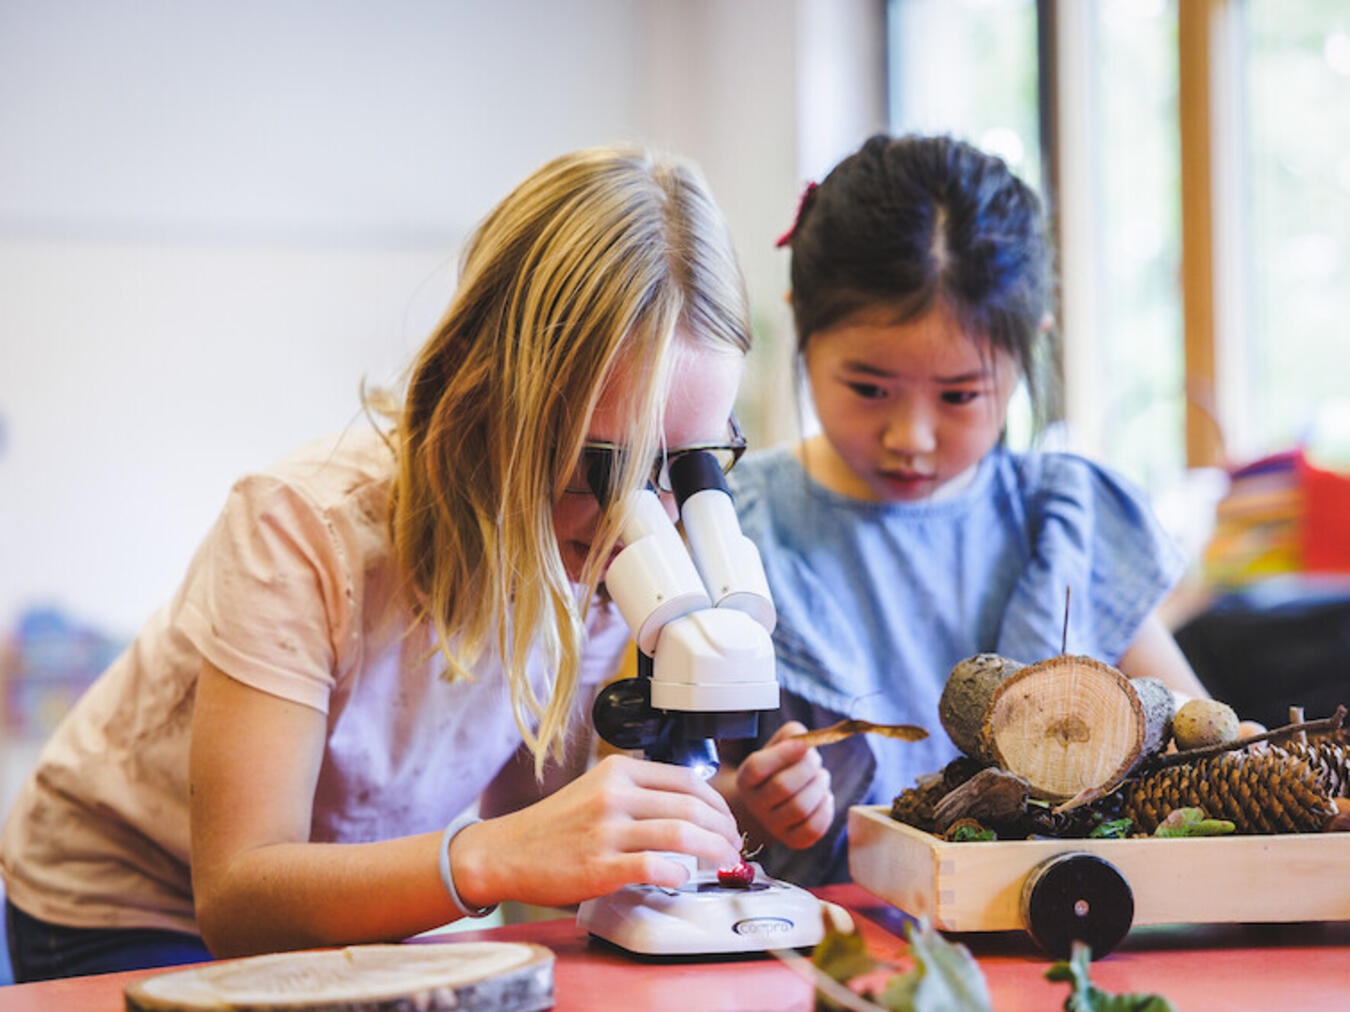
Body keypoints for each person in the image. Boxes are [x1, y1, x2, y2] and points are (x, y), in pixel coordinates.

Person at [0, 144, 831, 982]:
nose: (639, 515)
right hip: (130, 902)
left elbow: (540, 839)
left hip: (349, 906)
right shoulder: (301, 529)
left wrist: (706, 815)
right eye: (604, 464)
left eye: (686, 464)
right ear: (495, 397)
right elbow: (240, 900)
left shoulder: (603, 545)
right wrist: (492, 858)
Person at [720, 133, 1219, 885]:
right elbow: (647, 798)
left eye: (960, 395)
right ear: (803, 324)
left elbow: (1198, 740)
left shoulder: (1064, 524)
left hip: (1046, 936)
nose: (910, 437)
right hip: (809, 946)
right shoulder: (733, 529)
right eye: (868, 387)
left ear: (1026, 354)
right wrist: (747, 806)